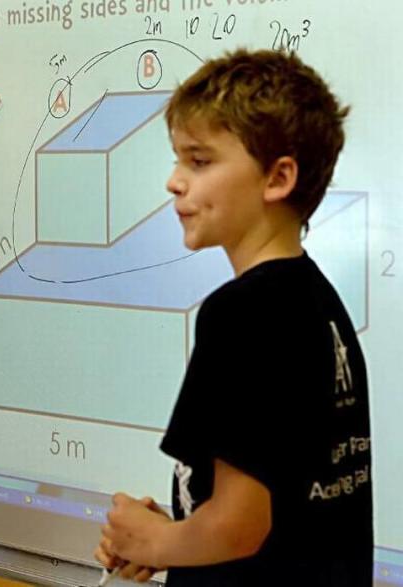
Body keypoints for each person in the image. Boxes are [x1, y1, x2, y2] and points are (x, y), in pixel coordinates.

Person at [95, 49, 372, 586]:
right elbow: (277, 501)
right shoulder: (318, 300)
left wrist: (153, 539)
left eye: (199, 161)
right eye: (178, 160)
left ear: (277, 178)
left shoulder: (242, 313)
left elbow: (242, 526)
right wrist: (176, 540)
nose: (175, 181)